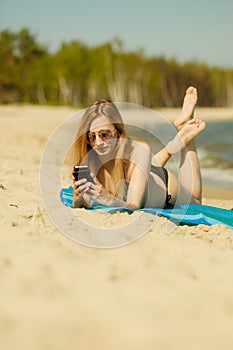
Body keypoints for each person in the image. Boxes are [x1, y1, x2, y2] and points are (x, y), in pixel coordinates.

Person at [72, 86, 206, 210]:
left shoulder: (140, 150)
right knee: (142, 163)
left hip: (164, 187)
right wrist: (79, 200)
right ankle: (171, 147)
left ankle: (186, 135)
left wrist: (107, 198)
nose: (98, 142)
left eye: (105, 134)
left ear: (118, 132)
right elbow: (86, 203)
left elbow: (134, 205)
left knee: (195, 200)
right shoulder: (89, 160)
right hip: (143, 172)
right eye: (91, 136)